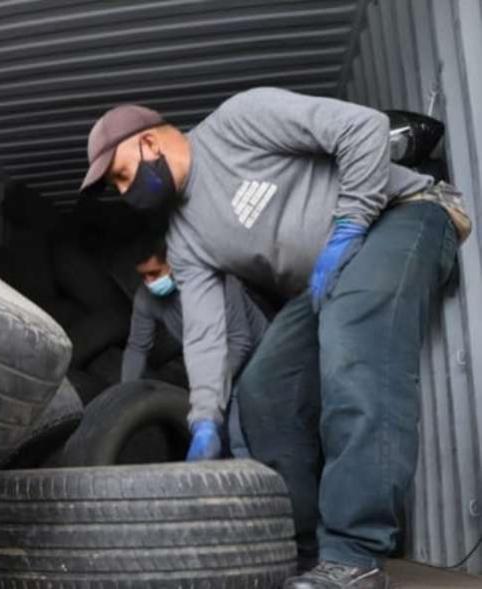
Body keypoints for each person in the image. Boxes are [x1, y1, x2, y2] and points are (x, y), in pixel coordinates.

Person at [80, 87, 471, 589]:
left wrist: (350, 222)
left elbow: (366, 128)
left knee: (351, 338)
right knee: (263, 386)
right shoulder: (185, 237)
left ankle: (356, 555)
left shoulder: (241, 120)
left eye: (121, 173)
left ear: (150, 141)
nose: (124, 189)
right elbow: (203, 335)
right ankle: (308, 550)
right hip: (326, 280)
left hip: (401, 214)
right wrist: (204, 419)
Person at [121, 240, 268, 459]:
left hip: (258, 355)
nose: (149, 282)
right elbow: (137, 348)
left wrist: (211, 388)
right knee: (216, 432)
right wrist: (124, 393)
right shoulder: (146, 298)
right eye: (144, 276)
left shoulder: (219, 281)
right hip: (213, 360)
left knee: (240, 434)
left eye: (154, 273)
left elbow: (240, 341)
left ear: (172, 264)